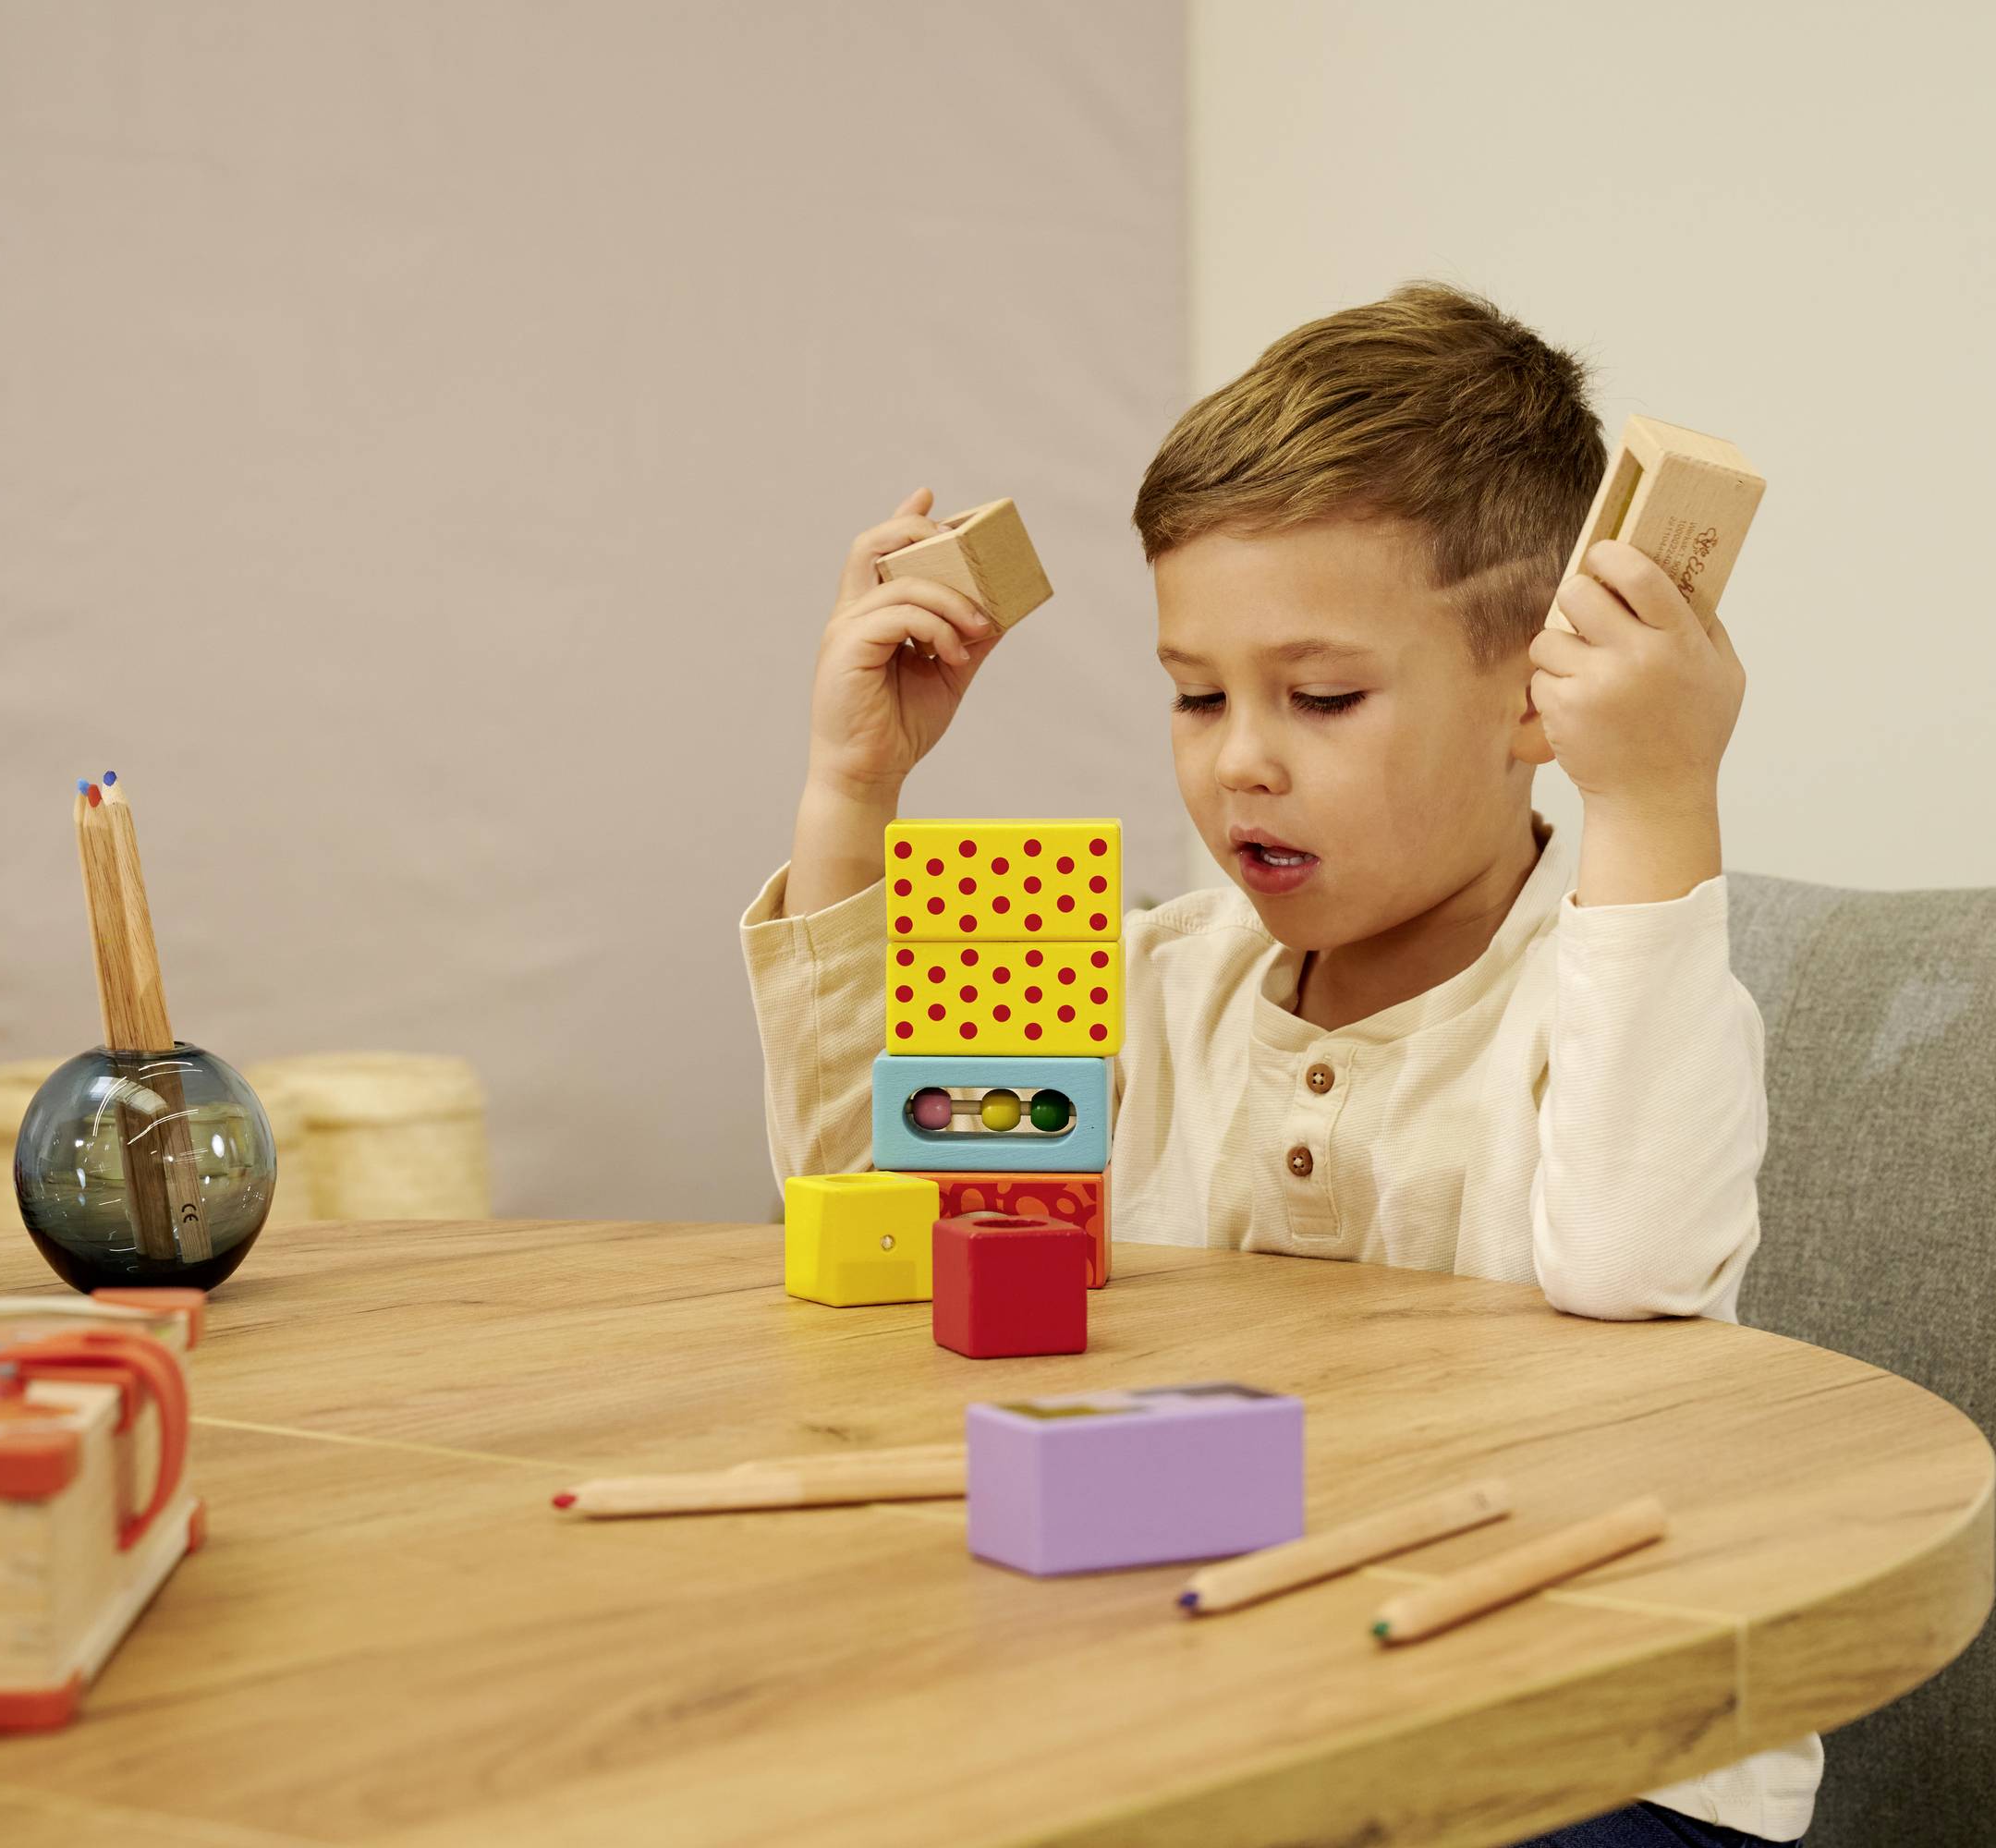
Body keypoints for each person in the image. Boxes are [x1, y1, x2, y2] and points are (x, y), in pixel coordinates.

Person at [741, 283, 1811, 1843]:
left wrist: (1650, 805)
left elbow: (1638, 1272)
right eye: (1195, 694)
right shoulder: (1145, 980)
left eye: (1320, 698)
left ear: (1535, 695)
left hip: (1590, 1745)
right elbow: (883, 1232)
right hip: (1234, 1707)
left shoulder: (1608, 1000)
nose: (1240, 754)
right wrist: (855, 795)